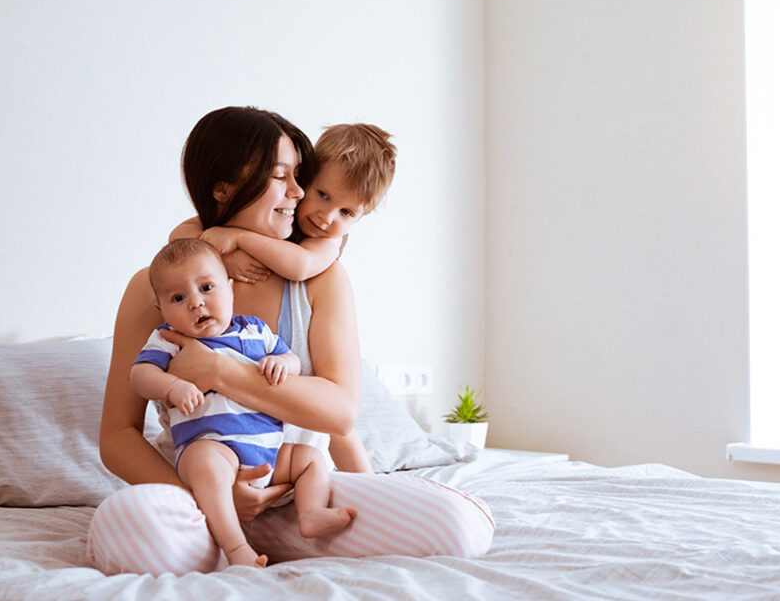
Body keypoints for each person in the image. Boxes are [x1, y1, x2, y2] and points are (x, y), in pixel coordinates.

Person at [87, 106, 494, 576]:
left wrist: (221, 371)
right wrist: (207, 499)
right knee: (124, 526)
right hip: (198, 497)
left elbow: (341, 410)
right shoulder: (156, 287)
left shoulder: (320, 278)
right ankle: (228, 542)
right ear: (223, 189)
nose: (299, 194)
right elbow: (117, 436)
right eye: (282, 177)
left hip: (302, 495)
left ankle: (269, 545)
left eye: (300, 176)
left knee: (457, 525)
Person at [169, 122, 397, 473]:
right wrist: (220, 255)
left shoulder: (323, 254)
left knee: (340, 434)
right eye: (321, 195)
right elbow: (179, 235)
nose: (326, 216)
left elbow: (299, 265)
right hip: (212, 462)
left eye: (347, 213)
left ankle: (375, 492)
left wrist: (237, 239)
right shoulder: (176, 279)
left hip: (302, 451)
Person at [132, 238, 355, 568]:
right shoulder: (168, 339)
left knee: (309, 458)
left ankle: (311, 514)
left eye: (207, 287)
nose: (196, 303)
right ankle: (236, 548)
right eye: (178, 298)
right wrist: (172, 386)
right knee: (207, 466)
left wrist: (284, 365)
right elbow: (140, 376)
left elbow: (289, 357)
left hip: (268, 452)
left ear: (230, 289)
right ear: (161, 310)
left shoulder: (255, 330)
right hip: (211, 445)